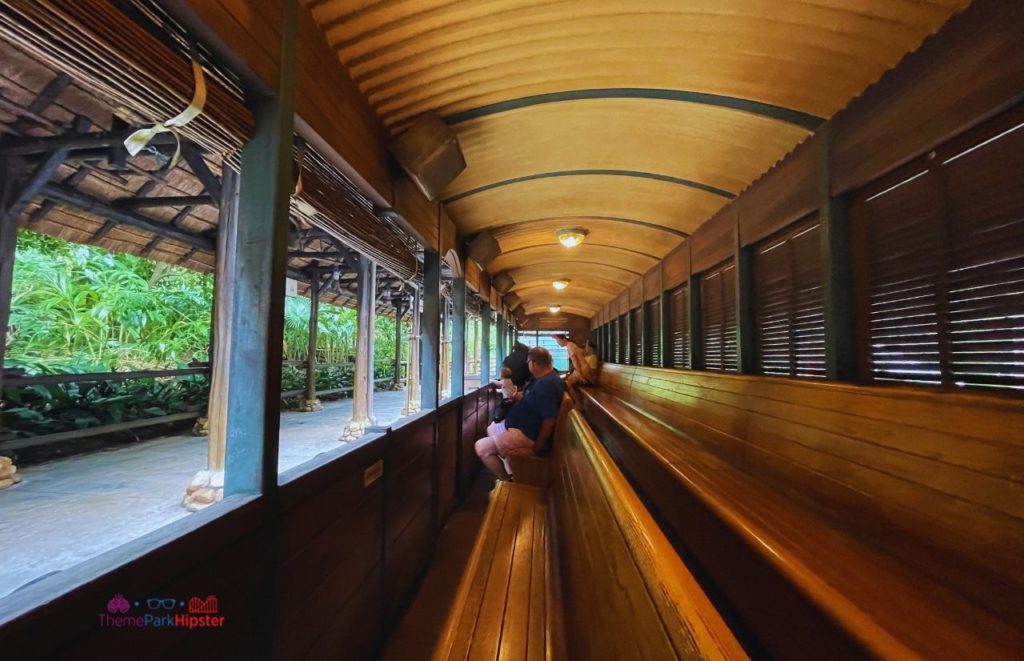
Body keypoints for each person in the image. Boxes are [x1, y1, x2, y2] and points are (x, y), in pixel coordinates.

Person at [475, 347, 565, 481]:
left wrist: (535, 448)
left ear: (533, 363)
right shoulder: (544, 379)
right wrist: (517, 394)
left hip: (526, 434)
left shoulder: (547, 385)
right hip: (518, 428)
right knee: (491, 428)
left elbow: (549, 420)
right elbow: (530, 395)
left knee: (481, 448)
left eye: (528, 362)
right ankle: (511, 468)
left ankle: (506, 481)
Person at [552, 333, 594, 399]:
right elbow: (583, 352)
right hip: (582, 369)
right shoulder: (572, 344)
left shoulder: (570, 345)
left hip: (582, 370)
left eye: (558, 341)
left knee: (566, 384)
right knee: (568, 383)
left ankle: (575, 403)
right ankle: (577, 403)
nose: (558, 343)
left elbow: (575, 362)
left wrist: (581, 375)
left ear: (564, 339)